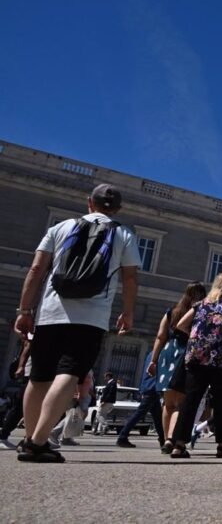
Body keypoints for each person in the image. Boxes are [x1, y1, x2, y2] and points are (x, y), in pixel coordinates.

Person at [14, 183, 140, 463]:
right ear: (118, 209)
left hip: (50, 312)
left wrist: (24, 309)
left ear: (89, 203)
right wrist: (128, 311)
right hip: (91, 318)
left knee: (39, 377)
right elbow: (130, 279)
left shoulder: (61, 228)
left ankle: (28, 438)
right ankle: (38, 441)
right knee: (69, 373)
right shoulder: (123, 234)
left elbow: (36, 269)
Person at [169, 272, 222, 459]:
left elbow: (179, 324)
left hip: (196, 356)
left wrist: (197, 337)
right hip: (221, 359)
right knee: (221, 402)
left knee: (191, 400)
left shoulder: (200, 304)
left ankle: (178, 444)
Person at [146, 281, 207, 454]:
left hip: (167, 354)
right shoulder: (198, 313)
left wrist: (154, 360)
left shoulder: (171, 312)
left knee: (168, 402)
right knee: (180, 403)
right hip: (185, 355)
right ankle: (172, 440)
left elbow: (160, 336)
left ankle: (166, 440)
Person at [116, 350, 164, 448]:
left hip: (148, 387)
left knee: (158, 417)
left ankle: (163, 439)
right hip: (152, 387)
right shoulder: (159, 354)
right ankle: (122, 436)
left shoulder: (151, 354)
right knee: (140, 413)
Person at [0, 337, 31, 449]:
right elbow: (27, 347)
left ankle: (30, 439)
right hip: (31, 375)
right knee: (19, 407)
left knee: (28, 408)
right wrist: (21, 367)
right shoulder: (38, 331)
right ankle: (3, 436)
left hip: (40, 375)